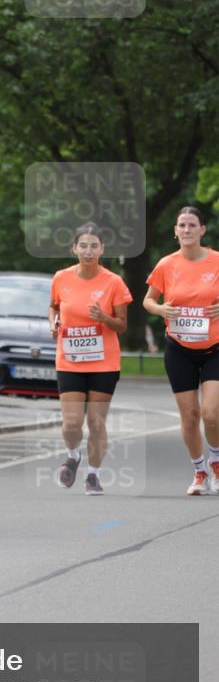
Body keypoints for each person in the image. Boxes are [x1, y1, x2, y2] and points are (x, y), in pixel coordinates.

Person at [49, 222, 132, 495]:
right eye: (83, 245)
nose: (88, 251)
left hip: (103, 361)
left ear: (102, 249)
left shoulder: (113, 282)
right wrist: (53, 322)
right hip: (70, 359)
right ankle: (73, 455)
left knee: (96, 422)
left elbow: (122, 325)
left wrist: (103, 318)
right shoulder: (61, 278)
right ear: (74, 248)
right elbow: (54, 307)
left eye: (93, 246)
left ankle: (93, 476)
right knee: (72, 423)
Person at [143, 206, 219, 495]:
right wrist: (161, 308)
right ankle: (199, 471)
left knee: (211, 413)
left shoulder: (216, 261)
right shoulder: (166, 264)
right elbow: (148, 301)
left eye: (192, 225)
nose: (186, 230)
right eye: (182, 226)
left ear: (202, 230)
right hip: (179, 348)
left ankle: (216, 462)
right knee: (189, 416)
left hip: (215, 347)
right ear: (175, 231)